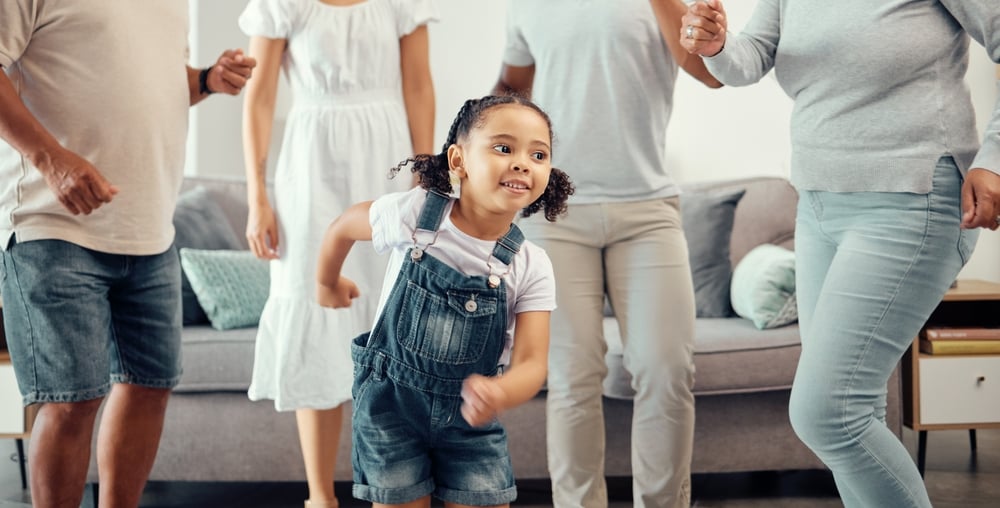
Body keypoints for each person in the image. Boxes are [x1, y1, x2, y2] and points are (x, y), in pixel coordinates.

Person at [681, 1, 1000, 506]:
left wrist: (995, 158)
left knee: (827, 414)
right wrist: (717, 45)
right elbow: (749, 59)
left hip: (911, 200)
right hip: (817, 207)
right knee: (857, 411)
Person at [0, 4, 255, 508]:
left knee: (149, 386)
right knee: (71, 402)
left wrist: (205, 79)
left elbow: (153, 83)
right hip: (52, 224)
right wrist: (52, 160)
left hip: (150, 228)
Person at [493, 1, 722, 506]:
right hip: (554, 217)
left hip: (647, 209)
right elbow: (511, 90)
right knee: (572, 376)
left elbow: (711, 73)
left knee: (666, 370)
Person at [315, 95, 573, 507]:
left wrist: (502, 392)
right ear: (458, 160)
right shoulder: (415, 215)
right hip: (391, 408)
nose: (523, 162)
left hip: (470, 423)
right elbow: (344, 225)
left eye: (538, 154)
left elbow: (532, 363)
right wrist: (327, 282)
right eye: (504, 148)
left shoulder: (531, 264)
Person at [237, 0, 436, 506]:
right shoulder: (282, 5)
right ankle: (320, 496)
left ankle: (391, 489)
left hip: (385, 160)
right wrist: (257, 195)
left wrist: (426, 177)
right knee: (314, 307)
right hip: (309, 166)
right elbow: (259, 97)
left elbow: (418, 85)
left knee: (390, 312)